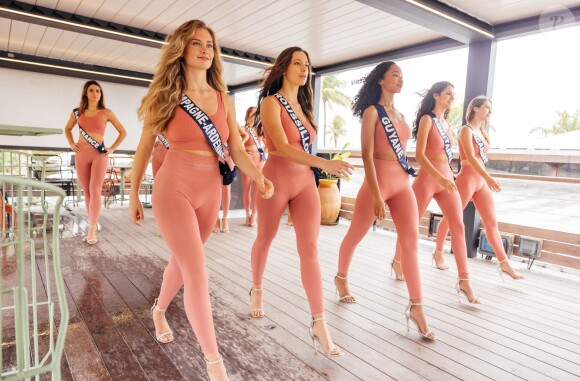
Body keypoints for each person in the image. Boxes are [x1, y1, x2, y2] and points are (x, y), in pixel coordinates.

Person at [128, 20, 273, 381]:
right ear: (181, 49)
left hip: (210, 189)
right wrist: (133, 194)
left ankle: (159, 309)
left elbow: (236, 149)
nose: (205, 49)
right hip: (172, 186)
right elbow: (145, 149)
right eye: (196, 43)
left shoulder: (225, 99)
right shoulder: (165, 96)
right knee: (196, 270)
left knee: (182, 262)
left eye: (209, 44)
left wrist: (257, 175)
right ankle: (214, 362)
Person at [249, 46, 353, 357]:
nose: (304, 69)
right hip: (276, 180)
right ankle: (256, 289)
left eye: (306, 64)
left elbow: (300, 146)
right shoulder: (270, 103)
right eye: (297, 63)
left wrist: (317, 165)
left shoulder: (305, 108)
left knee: (310, 249)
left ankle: (319, 322)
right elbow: (279, 147)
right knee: (265, 238)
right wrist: (325, 163)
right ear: (283, 68)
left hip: (304, 182)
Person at [336, 62, 436, 339]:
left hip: (402, 183)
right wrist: (377, 193)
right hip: (376, 183)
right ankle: (341, 277)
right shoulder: (372, 113)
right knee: (356, 235)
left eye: (402, 75)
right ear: (380, 80)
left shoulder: (402, 116)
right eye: (395, 74)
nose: (400, 79)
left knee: (411, 241)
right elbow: (367, 155)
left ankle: (417, 307)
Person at [392, 81, 481, 304]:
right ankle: (397, 261)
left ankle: (464, 280)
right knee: (410, 225)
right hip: (428, 179)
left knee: (458, 225)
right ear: (436, 95)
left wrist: (447, 176)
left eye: (453, 94)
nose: (452, 97)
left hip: (446, 178)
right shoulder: (427, 120)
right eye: (448, 94)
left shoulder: (447, 124)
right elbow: (420, 155)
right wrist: (440, 176)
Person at [434, 96, 524, 281]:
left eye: (490, 108)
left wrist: (486, 179)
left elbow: (481, 159)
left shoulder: (482, 132)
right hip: (467, 179)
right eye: (486, 107)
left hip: (480, 181)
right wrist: (489, 178)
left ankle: (504, 263)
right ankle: (438, 252)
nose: (489, 111)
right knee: (451, 218)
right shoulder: (465, 131)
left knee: (492, 223)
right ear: (475, 109)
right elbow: (472, 158)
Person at [64, 80, 127, 244]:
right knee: (86, 191)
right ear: (85, 93)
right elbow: (67, 129)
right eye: (91, 90)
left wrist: (112, 148)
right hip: (82, 154)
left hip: (100, 154)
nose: (95, 93)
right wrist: (71, 143)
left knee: (95, 189)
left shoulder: (106, 112)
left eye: (98, 91)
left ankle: (92, 230)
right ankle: (92, 222)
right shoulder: (77, 112)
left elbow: (123, 132)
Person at [240, 106, 266, 227]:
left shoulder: (260, 130)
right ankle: (247, 215)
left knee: (257, 189)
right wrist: (244, 152)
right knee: (247, 188)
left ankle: (254, 215)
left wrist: (264, 153)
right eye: (251, 114)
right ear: (247, 116)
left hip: (259, 160)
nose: (254, 116)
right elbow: (236, 145)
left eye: (256, 114)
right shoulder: (243, 129)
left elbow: (268, 144)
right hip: (248, 161)